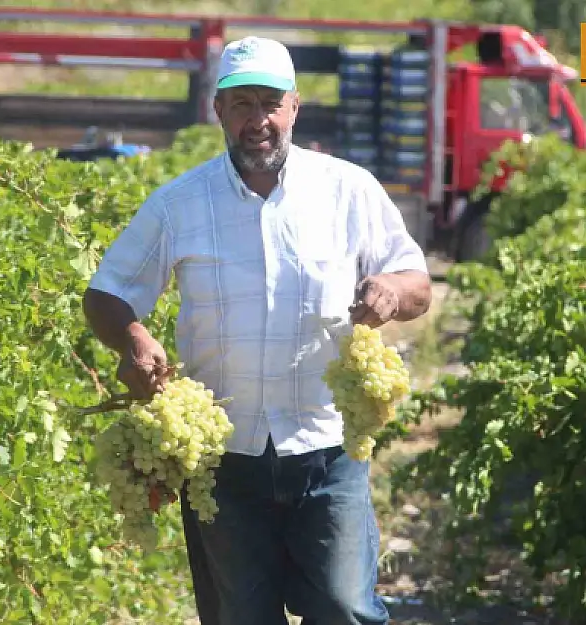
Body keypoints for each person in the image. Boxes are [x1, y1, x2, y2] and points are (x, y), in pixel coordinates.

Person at [81, 34, 433, 625]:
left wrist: (391, 291)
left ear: (295, 107)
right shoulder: (179, 204)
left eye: (270, 104)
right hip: (225, 463)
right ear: (218, 110)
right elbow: (107, 292)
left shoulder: (347, 190)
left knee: (346, 609)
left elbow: (417, 282)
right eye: (242, 104)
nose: (258, 120)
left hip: (327, 450)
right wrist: (133, 339)